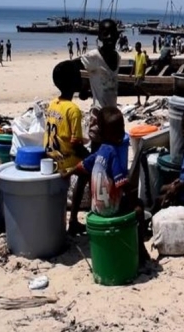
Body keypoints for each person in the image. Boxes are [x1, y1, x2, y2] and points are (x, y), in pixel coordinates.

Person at [56, 19, 121, 233]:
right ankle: (74, 219)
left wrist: (87, 89)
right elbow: (70, 66)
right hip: (98, 121)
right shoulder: (93, 56)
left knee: (110, 167)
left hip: (113, 118)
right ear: (100, 37)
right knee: (91, 167)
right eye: (105, 34)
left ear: (118, 35)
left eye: (113, 34)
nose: (109, 38)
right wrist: (77, 87)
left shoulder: (118, 58)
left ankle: (103, 207)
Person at [62, 107, 149, 265]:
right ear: (104, 133)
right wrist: (132, 196)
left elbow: (81, 167)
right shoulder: (114, 153)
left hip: (95, 207)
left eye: (122, 127)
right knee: (139, 207)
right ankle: (141, 248)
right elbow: (121, 183)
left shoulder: (100, 150)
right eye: (117, 129)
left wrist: (67, 174)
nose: (121, 132)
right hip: (110, 208)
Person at [44, 62, 89, 234]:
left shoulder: (52, 104)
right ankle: (74, 220)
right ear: (73, 83)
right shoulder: (73, 110)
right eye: (78, 77)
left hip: (50, 156)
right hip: (65, 158)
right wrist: (91, 156)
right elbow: (76, 146)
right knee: (89, 169)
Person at [132, 42, 151, 107]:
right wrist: (131, 73)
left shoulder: (143, 55)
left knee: (136, 86)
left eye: (137, 47)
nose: (136, 48)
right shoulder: (136, 55)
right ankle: (138, 101)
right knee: (136, 88)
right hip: (136, 74)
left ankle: (147, 94)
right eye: (135, 47)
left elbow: (144, 65)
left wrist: (143, 74)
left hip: (140, 74)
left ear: (139, 47)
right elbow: (134, 64)